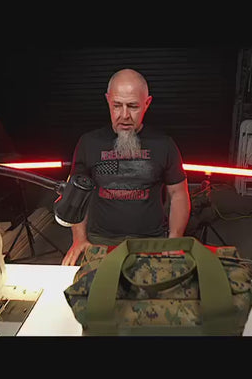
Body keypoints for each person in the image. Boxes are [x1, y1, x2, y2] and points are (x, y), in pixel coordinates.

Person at [62, 69, 191, 265]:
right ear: (108, 100)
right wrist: (79, 239)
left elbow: (178, 194)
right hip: (100, 240)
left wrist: (174, 239)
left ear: (147, 103)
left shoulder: (164, 144)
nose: (124, 115)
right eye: (117, 106)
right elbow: (77, 195)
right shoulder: (89, 143)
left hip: (151, 240)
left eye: (133, 106)